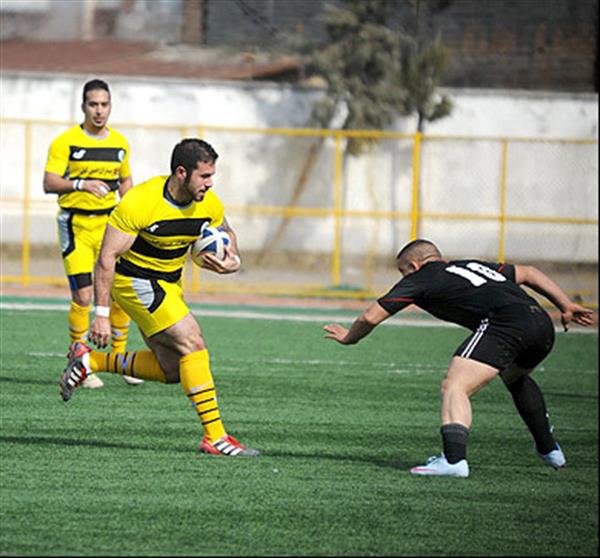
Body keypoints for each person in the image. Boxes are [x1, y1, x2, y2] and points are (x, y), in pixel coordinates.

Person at [323, 239, 595, 478]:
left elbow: (370, 316)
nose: (403, 277)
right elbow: (529, 273)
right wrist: (566, 305)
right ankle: (550, 450)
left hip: (506, 324)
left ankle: (454, 460)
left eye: (402, 271)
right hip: (541, 324)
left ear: (415, 266)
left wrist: (350, 337)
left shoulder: (421, 278)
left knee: (455, 386)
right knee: (515, 376)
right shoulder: (472, 265)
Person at [59, 138, 259, 457]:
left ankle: (89, 360)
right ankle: (216, 436)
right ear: (181, 173)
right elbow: (107, 258)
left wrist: (233, 261)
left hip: (169, 284)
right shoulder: (140, 202)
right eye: (204, 176)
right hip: (134, 281)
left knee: (173, 368)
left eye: (212, 176)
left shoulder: (209, 203)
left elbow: (227, 232)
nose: (210, 183)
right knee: (193, 342)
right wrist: (100, 314)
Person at [43, 78, 142, 388]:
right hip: (76, 226)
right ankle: (80, 360)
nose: (99, 111)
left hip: (109, 227)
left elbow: (125, 183)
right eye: (93, 104)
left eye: (104, 104)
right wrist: (80, 184)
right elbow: (49, 182)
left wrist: (136, 212)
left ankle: (121, 360)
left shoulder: (120, 144)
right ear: (83, 106)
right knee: (84, 296)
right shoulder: (66, 141)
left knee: (119, 293)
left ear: (110, 106)